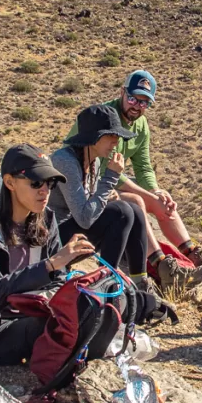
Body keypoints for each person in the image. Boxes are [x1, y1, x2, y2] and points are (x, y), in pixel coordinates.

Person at [65, 69, 202, 287]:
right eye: (133, 98)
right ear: (122, 92)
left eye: (144, 103)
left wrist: (157, 190)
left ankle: (194, 257)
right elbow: (104, 172)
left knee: (164, 204)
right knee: (137, 201)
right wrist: (146, 193)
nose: (137, 106)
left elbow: (143, 165)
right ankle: (163, 267)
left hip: (108, 182)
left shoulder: (141, 125)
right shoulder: (104, 118)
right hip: (87, 187)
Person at [0, 144, 96, 366]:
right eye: (36, 183)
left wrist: (51, 296)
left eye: (50, 183)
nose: (45, 191)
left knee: (88, 310)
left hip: (32, 314)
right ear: (10, 182)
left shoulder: (45, 219)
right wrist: (49, 266)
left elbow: (57, 281)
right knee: (58, 328)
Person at [50, 104, 155, 291]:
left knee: (134, 210)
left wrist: (105, 193)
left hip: (74, 234)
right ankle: (106, 284)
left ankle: (141, 284)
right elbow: (84, 217)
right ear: (94, 137)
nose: (116, 142)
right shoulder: (65, 161)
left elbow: (90, 203)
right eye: (111, 136)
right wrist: (110, 179)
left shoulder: (94, 161)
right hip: (53, 242)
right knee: (121, 212)